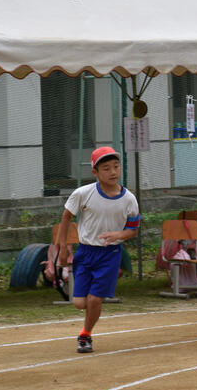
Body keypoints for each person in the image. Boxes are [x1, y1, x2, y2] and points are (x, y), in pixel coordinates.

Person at [56, 147, 141, 353]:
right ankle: (92, 310)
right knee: (79, 303)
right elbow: (66, 217)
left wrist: (118, 235)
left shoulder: (129, 199)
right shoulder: (82, 193)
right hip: (85, 252)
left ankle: (85, 335)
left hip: (110, 254)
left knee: (94, 299)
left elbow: (132, 231)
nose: (113, 172)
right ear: (95, 172)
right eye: (106, 168)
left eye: (116, 167)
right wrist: (63, 248)